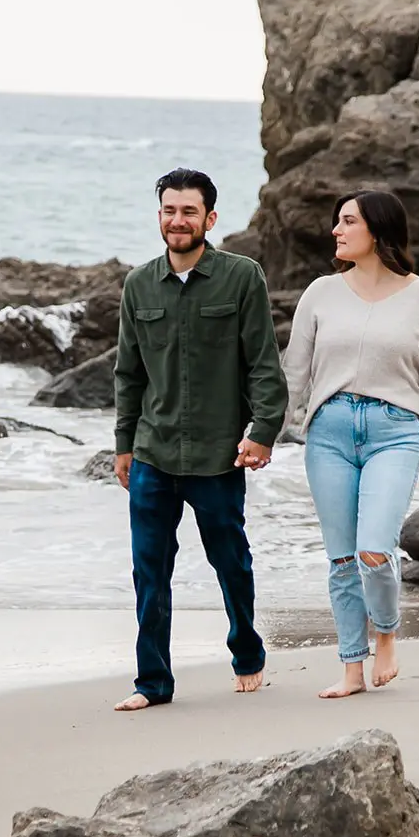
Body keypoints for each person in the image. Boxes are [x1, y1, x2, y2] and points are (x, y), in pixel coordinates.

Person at [281, 189, 419, 700]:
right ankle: (352, 668)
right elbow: (292, 379)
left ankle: (387, 632)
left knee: (373, 550)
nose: (336, 230)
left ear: (377, 229)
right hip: (327, 432)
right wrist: (259, 436)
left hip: (395, 431)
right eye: (337, 221)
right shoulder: (320, 294)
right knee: (341, 560)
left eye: (347, 221)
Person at [111, 167, 288, 712]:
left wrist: (262, 432)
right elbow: (128, 373)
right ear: (158, 215)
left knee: (230, 560)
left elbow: (263, 364)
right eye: (169, 210)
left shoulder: (241, 278)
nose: (177, 220)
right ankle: (153, 684)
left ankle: (246, 650)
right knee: (149, 571)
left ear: (210, 218)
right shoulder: (138, 285)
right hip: (152, 453)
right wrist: (123, 444)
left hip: (217, 455)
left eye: (188, 211)